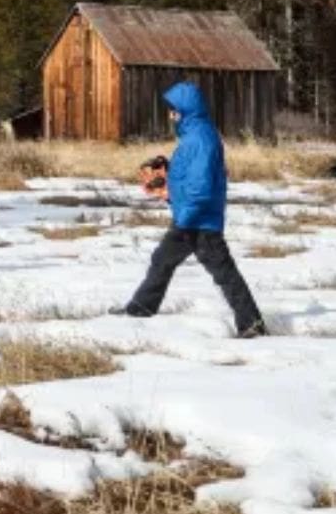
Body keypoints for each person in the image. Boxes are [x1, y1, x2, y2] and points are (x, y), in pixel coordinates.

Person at [112, 81, 267, 339]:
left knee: (223, 272)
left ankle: (252, 325)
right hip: (190, 215)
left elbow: (202, 185)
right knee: (162, 260)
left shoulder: (200, 138)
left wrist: (185, 213)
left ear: (184, 110)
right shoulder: (194, 135)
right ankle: (140, 309)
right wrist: (168, 178)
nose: (170, 114)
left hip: (198, 219)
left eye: (172, 109)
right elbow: (190, 177)